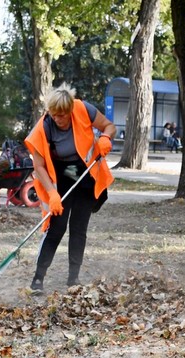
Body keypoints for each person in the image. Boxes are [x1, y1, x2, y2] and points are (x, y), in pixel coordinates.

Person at [24, 84, 116, 290]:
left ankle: (73, 278)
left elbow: (109, 125)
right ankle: (38, 279)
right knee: (56, 229)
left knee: (79, 228)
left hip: (85, 175)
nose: (58, 119)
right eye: (54, 115)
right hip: (61, 177)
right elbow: (38, 165)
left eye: (62, 115)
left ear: (70, 110)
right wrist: (52, 193)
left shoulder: (83, 109)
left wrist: (105, 137)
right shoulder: (44, 126)